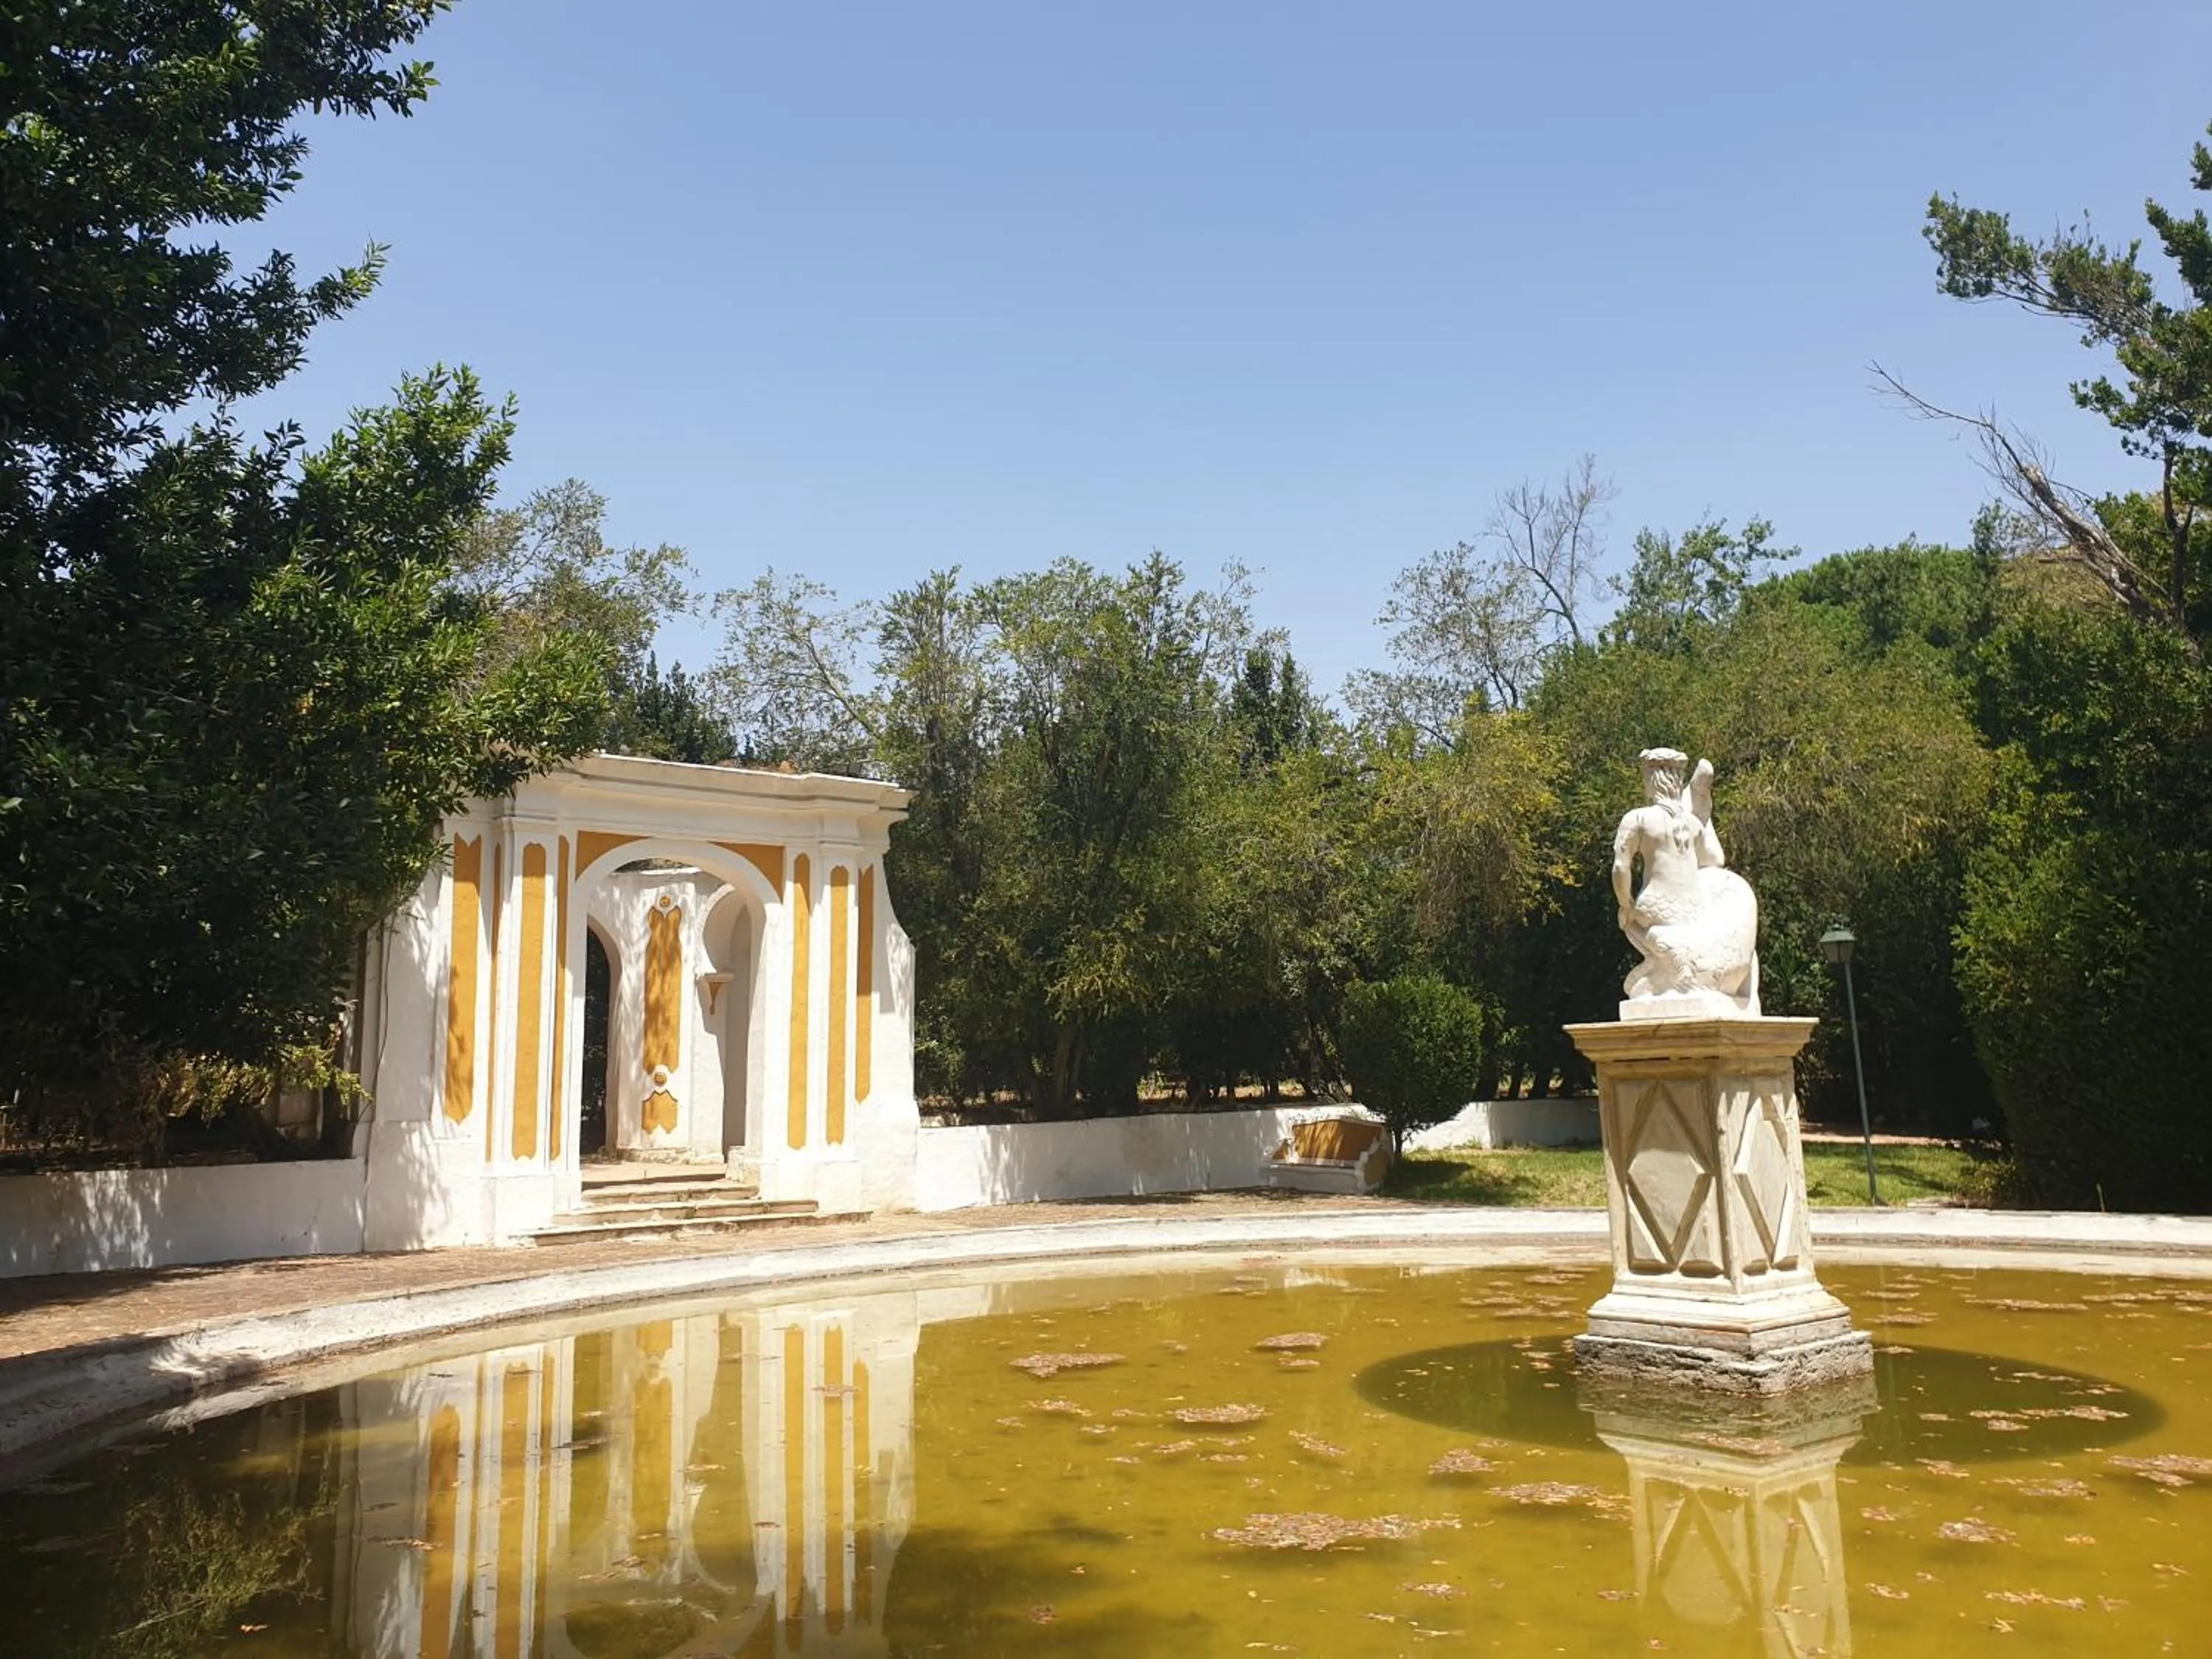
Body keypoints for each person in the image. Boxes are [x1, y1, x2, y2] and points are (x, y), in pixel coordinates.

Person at [1611, 748, 1760, 1014]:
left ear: (1650, 779)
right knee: (1639, 976)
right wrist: (1700, 818)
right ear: (1677, 782)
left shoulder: (1638, 818)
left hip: (1654, 910)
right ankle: (1669, 968)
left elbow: (1621, 867)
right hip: (1694, 912)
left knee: (1629, 924)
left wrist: (1626, 903)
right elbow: (1715, 859)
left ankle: (1673, 965)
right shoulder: (1691, 822)